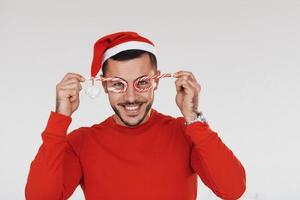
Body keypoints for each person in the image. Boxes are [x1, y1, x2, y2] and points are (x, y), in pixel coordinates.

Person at [25, 31, 246, 200]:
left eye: (142, 83)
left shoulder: (186, 133)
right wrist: (59, 119)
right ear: (103, 86)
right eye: (118, 85)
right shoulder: (81, 142)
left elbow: (232, 189)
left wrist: (194, 118)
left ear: (157, 81)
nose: (131, 97)